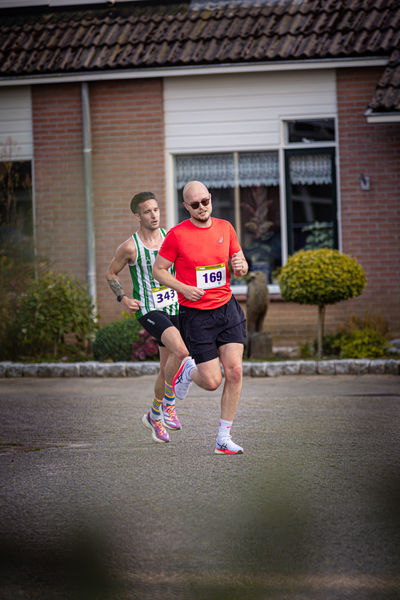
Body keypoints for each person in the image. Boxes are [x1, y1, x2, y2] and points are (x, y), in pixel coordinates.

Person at [153, 181, 248, 455]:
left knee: (236, 372)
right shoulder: (177, 235)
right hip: (196, 316)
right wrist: (182, 288)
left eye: (205, 201)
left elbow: (239, 262)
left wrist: (241, 266)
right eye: (195, 205)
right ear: (186, 207)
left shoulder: (225, 227)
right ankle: (186, 370)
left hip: (227, 309)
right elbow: (159, 270)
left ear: (210, 198)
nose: (202, 208)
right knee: (211, 382)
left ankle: (222, 439)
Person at [105, 191, 189, 444]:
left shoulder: (170, 237)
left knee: (166, 367)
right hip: (149, 310)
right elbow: (111, 274)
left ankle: (154, 414)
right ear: (137, 216)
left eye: (156, 210)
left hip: (174, 306)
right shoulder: (130, 247)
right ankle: (170, 403)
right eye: (147, 211)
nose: (154, 215)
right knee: (182, 352)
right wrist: (123, 299)